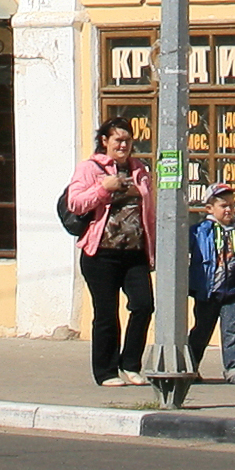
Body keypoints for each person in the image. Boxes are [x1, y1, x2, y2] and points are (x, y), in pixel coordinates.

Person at [68, 120, 157, 387]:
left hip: (134, 253)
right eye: (117, 140)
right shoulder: (89, 168)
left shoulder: (139, 169)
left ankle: (130, 364)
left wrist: (153, 247)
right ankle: (105, 372)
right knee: (107, 314)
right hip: (101, 254)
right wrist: (103, 187)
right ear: (104, 141)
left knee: (143, 305)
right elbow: (75, 202)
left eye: (127, 140)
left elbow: (148, 212)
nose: (123, 145)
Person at [186, 183, 235, 385]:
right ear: (209, 208)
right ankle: (189, 366)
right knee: (201, 330)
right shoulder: (200, 231)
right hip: (208, 291)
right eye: (223, 206)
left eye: (231, 205)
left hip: (233, 290)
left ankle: (234, 368)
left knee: (232, 330)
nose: (228, 210)